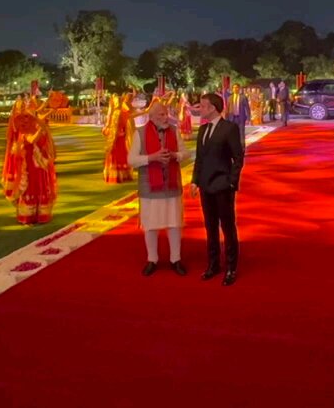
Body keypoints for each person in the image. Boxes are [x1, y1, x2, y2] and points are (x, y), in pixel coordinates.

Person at [128, 102, 191, 276]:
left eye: (166, 114)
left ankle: (175, 259)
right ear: (152, 117)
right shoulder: (139, 133)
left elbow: (186, 153)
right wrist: (151, 158)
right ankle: (152, 259)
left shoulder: (174, 130)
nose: (165, 118)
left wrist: (174, 155)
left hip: (171, 185)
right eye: (161, 115)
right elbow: (131, 160)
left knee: (174, 224)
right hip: (149, 187)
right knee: (150, 225)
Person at [190, 93, 244, 286]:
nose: (200, 109)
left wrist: (232, 182)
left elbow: (238, 157)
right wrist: (195, 181)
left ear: (213, 108)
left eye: (203, 106)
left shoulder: (229, 129)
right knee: (210, 227)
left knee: (227, 227)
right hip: (205, 186)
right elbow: (199, 158)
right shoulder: (203, 129)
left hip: (223, 185)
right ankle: (213, 265)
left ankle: (231, 267)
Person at [12, 107, 58, 225]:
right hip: (30, 166)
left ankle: (40, 215)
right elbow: (32, 140)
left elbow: (43, 120)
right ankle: (28, 216)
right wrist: (41, 127)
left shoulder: (36, 127)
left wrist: (54, 108)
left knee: (41, 185)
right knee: (30, 187)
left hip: (40, 164)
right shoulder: (24, 133)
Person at [101, 94, 133, 183]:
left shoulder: (121, 112)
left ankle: (121, 175)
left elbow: (127, 121)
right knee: (115, 155)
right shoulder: (117, 113)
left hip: (120, 138)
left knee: (120, 155)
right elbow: (111, 125)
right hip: (116, 138)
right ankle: (117, 175)